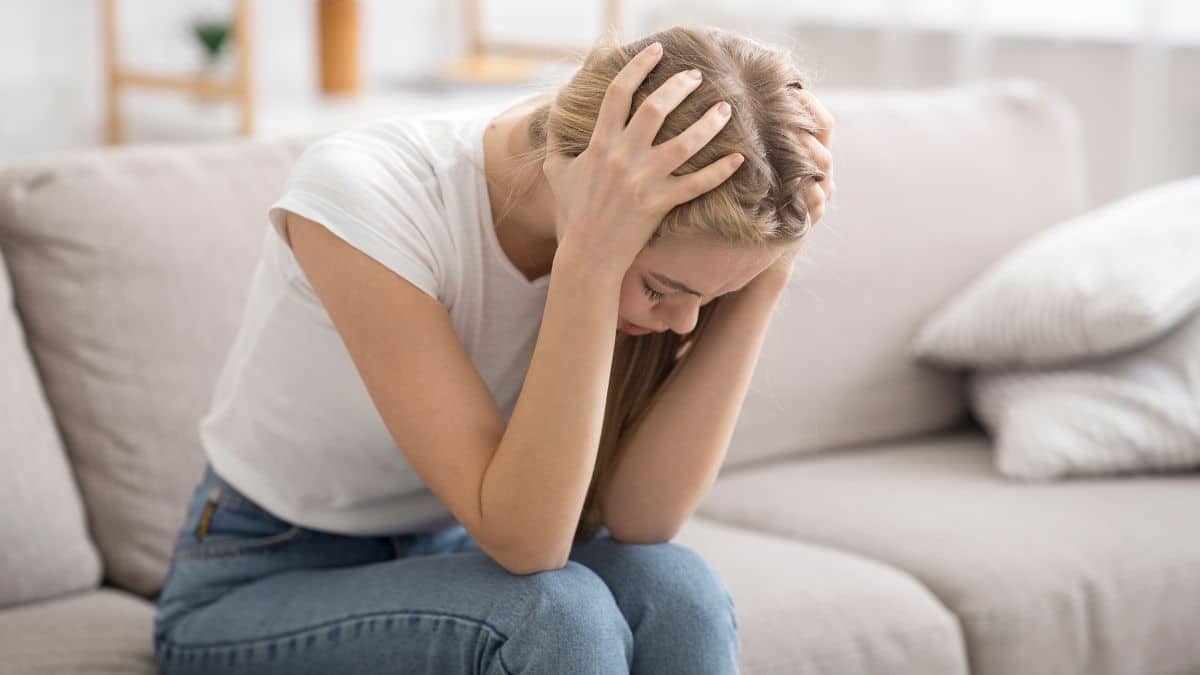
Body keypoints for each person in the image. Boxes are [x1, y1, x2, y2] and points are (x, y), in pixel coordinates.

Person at [153, 23, 835, 674]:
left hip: (451, 553)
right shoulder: (367, 195)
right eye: (663, 288)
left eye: (707, 298)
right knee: (555, 616)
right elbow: (528, 543)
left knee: (679, 590)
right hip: (258, 572)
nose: (685, 324)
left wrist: (766, 273)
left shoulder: (676, 284)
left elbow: (642, 516)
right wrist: (590, 266)